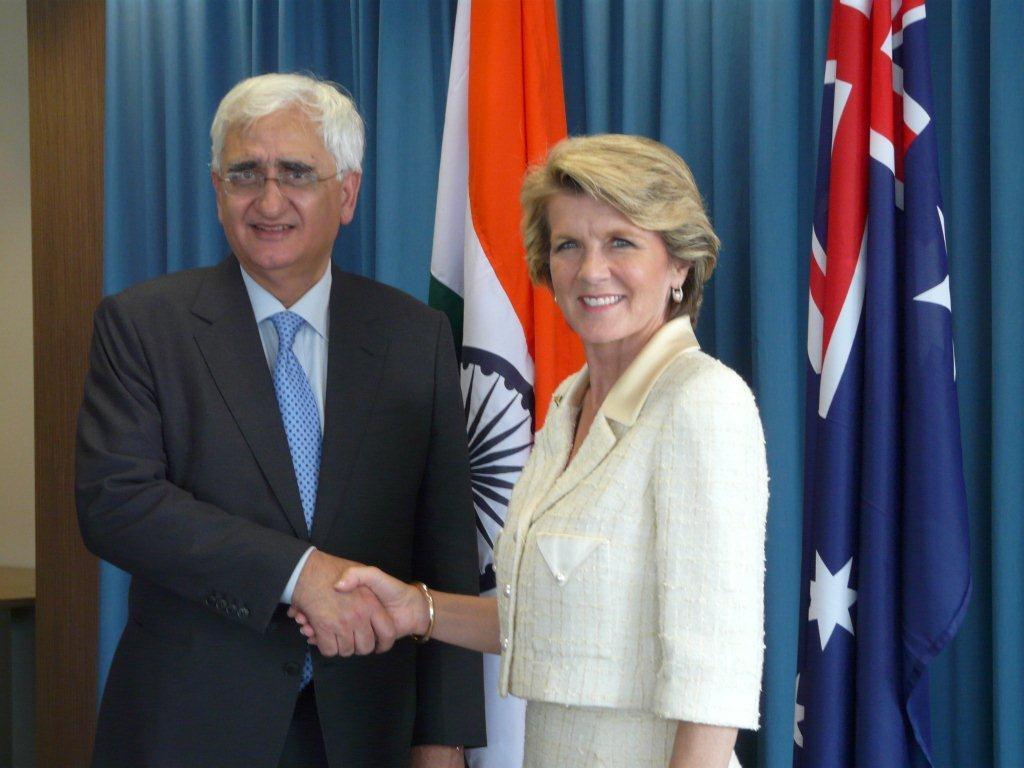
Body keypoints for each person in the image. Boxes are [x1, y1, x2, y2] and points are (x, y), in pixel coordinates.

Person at [295, 134, 768, 767]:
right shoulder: (572, 400)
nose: (590, 270)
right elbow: (554, 618)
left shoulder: (701, 401)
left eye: (621, 242)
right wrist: (419, 609)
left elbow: (716, 673)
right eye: (569, 245)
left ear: (679, 264)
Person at [76, 73, 484, 768]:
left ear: (347, 193)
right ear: (216, 189)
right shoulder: (144, 325)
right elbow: (117, 503)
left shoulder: (414, 336)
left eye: (296, 172)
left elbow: (445, 545)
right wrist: (299, 573)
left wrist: (442, 741)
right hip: (189, 729)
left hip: (368, 732)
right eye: (245, 174)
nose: (269, 200)